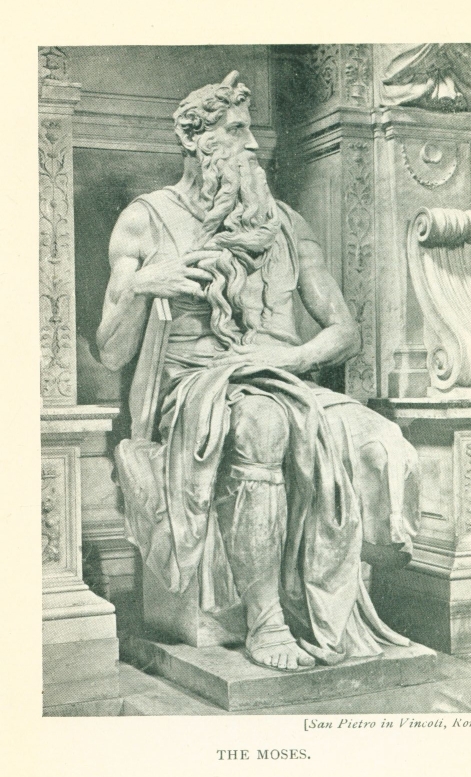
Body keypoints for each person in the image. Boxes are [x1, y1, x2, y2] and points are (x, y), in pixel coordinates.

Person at [97, 71, 419, 672]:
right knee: (263, 424)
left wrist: (287, 358)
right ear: (193, 139)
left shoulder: (286, 223)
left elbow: (343, 331)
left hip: (281, 377)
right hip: (195, 387)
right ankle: (266, 620)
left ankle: (324, 606)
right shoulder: (146, 220)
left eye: (252, 130)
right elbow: (111, 352)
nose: (253, 145)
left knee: (380, 439)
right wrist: (145, 284)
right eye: (236, 130)